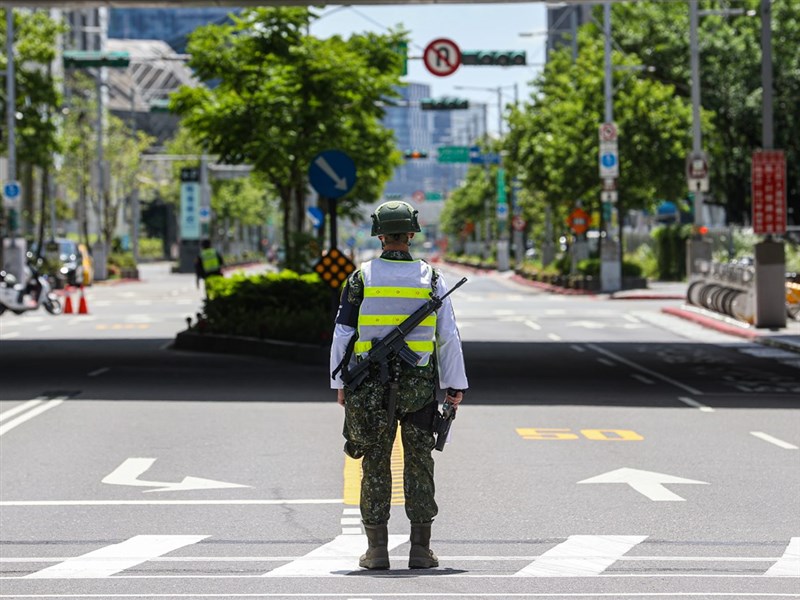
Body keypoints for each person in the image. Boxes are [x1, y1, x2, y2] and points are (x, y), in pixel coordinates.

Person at [330, 200, 468, 570]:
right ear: (411, 233)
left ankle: (376, 552)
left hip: (370, 389)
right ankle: (420, 551)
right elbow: (448, 338)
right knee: (419, 463)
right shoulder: (432, 278)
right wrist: (455, 385)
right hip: (420, 388)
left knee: (375, 464)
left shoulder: (360, 278)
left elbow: (343, 334)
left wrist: (339, 382)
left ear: (378, 234)